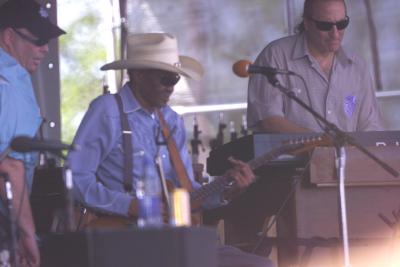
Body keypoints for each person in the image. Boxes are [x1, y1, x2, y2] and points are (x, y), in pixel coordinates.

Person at [68, 33, 274, 267]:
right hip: (123, 238)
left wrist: (228, 190)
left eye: (175, 79)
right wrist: (129, 205)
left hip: (171, 240)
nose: (171, 88)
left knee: (261, 265)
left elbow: (190, 192)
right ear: (137, 74)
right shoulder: (107, 110)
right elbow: (75, 178)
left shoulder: (171, 120)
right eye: (165, 79)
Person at [247, 0, 384, 133]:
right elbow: (268, 120)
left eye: (342, 24)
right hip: (291, 156)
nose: (335, 34)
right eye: (325, 26)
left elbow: (371, 127)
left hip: (347, 156)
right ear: (306, 23)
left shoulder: (357, 67)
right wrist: (320, 144)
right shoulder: (275, 56)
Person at [0, 0, 65, 266]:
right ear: (7, 37)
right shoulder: (9, 83)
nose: (45, 49)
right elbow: (9, 168)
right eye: (38, 39)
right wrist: (27, 235)